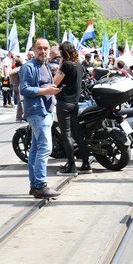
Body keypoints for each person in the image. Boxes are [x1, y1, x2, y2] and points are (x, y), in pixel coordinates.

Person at [19, 38, 62, 198]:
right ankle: (40, 185)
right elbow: (24, 89)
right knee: (45, 149)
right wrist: (45, 92)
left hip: (45, 111)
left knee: (36, 150)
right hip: (38, 112)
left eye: (45, 48)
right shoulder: (29, 67)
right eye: (39, 48)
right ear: (34, 49)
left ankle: (34, 185)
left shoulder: (44, 65)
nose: (43, 51)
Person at [53, 41, 90, 176]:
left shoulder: (67, 65)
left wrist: (60, 66)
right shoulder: (78, 65)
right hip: (75, 103)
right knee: (77, 134)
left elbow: (55, 82)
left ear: (63, 52)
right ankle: (86, 163)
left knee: (66, 135)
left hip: (64, 103)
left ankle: (72, 166)